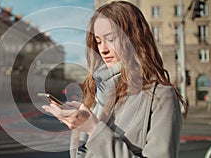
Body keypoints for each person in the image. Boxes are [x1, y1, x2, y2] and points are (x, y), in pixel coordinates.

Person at [42, 1, 184, 158]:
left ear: (134, 39)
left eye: (110, 39)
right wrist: (78, 120)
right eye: (98, 41)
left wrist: (92, 127)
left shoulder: (161, 96)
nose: (103, 49)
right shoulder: (96, 89)